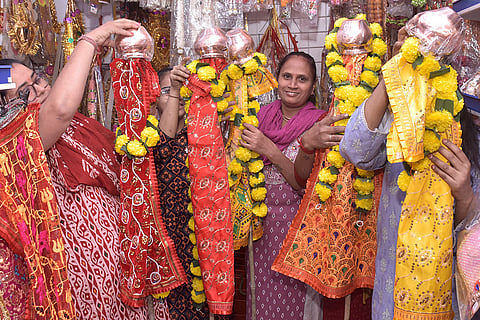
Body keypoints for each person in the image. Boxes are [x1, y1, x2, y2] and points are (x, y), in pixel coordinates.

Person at [0, 19, 169, 319]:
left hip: (122, 267)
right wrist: (91, 39)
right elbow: (61, 108)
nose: (40, 88)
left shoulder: (76, 125)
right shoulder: (15, 143)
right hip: (81, 282)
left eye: (37, 78)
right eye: (25, 91)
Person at [339, 8, 480, 320]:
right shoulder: (400, 113)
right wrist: (394, 73)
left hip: (451, 298)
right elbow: (354, 150)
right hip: (392, 294)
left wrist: (466, 197)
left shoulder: (470, 118)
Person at [240, 51, 347, 319]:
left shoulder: (320, 124)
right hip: (260, 230)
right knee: (261, 299)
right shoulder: (259, 118)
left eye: (302, 79)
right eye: (287, 76)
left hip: (300, 231)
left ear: (312, 87)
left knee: (295, 305)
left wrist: (269, 149)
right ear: (276, 79)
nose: (292, 84)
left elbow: (305, 184)